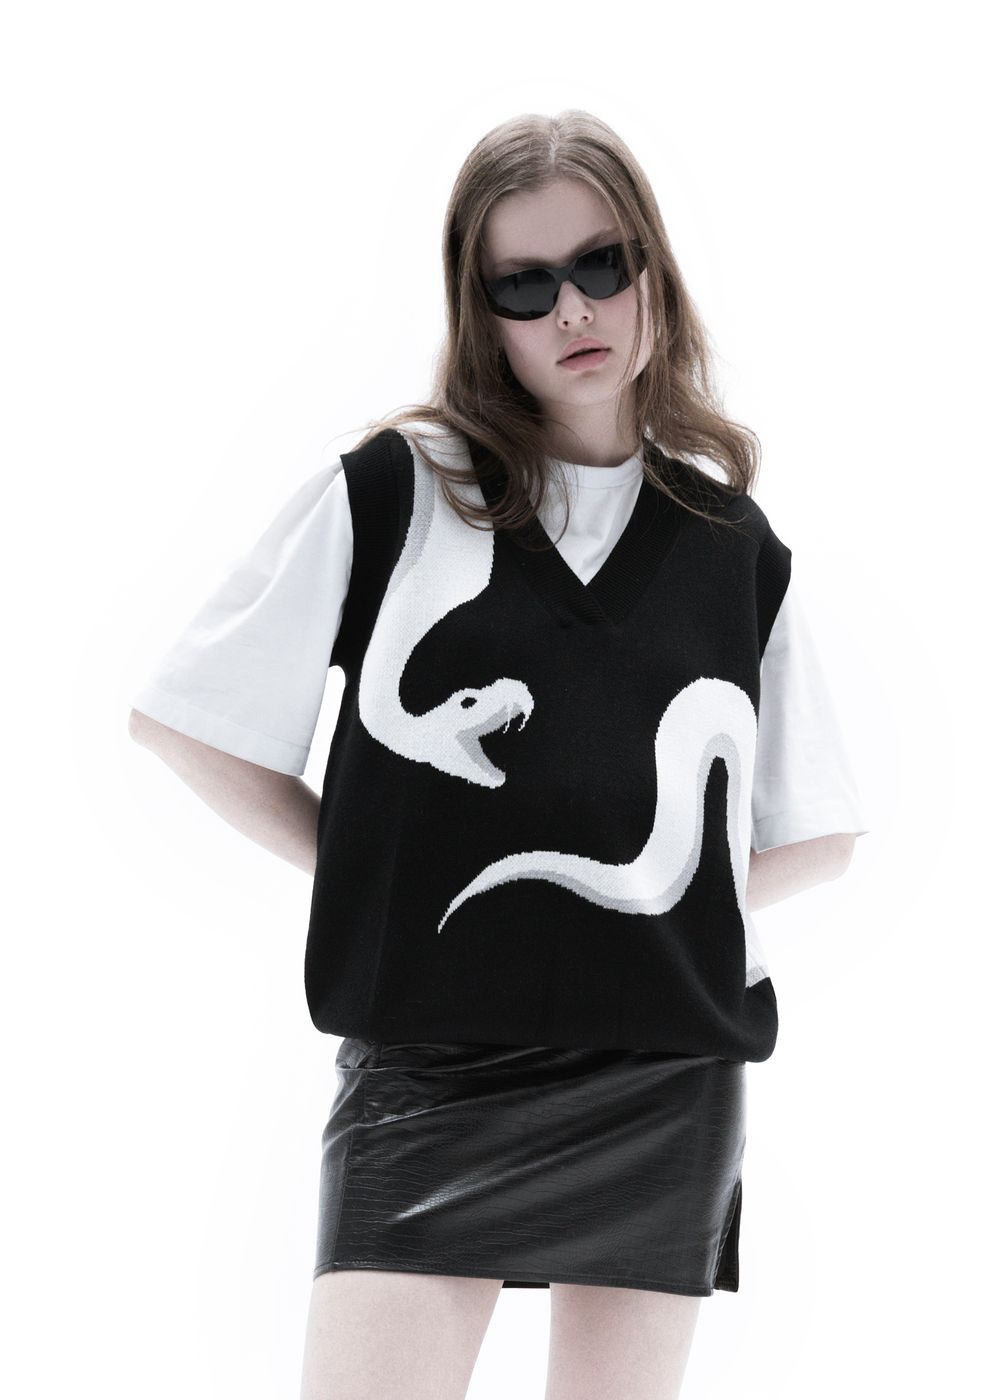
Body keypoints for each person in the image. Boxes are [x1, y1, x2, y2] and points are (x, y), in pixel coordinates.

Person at [128, 110, 869, 1400]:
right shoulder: (398, 490)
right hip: (430, 1067)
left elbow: (819, 832)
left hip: (660, 1080)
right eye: (525, 285)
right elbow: (189, 722)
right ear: (483, 316)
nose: (573, 308)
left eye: (603, 265)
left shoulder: (730, 544)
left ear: (653, 273)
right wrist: (373, 874)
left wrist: (649, 916)